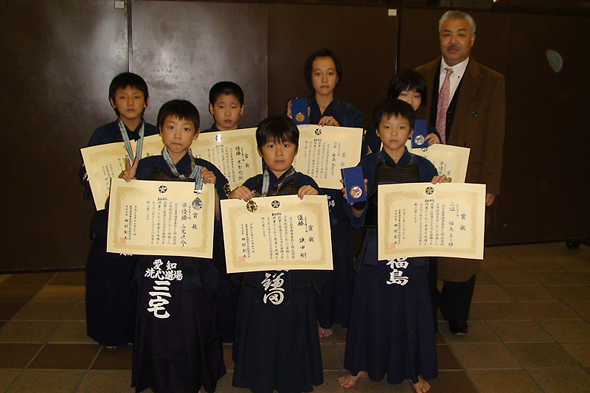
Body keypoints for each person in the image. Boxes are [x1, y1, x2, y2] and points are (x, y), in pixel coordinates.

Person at [339, 99, 450, 393]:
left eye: (401, 127)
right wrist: (355, 201)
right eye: (387, 126)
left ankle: (413, 371)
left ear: (411, 131)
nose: (394, 132)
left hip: (411, 250)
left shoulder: (424, 166)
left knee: (409, 310)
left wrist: (442, 190)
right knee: (369, 308)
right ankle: (361, 364)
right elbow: (356, 220)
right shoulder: (366, 164)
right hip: (376, 246)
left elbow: (435, 211)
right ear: (377, 130)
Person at [120, 99, 227, 393]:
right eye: (170, 127)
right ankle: (156, 376)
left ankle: (192, 376)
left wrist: (212, 189)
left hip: (193, 264)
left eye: (185, 128)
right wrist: (126, 184)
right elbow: (121, 210)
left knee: (192, 322)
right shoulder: (144, 167)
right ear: (161, 131)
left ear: (196, 133)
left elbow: (221, 218)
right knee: (158, 320)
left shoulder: (205, 170)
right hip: (155, 262)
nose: (177, 135)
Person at [415, 10, 506, 335]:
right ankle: (425, 303)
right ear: (439, 38)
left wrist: (490, 183)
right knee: (425, 240)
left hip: (469, 175)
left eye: (461, 34)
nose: (453, 41)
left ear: (472, 39)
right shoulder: (420, 76)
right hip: (426, 173)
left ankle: (456, 311)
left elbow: (495, 135)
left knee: (462, 245)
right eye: (447, 34)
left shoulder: (491, 80)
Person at [229, 116, 324, 393]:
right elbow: (234, 230)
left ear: (296, 148)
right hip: (259, 273)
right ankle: (259, 379)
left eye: (286, 145)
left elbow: (323, 229)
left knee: (294, 326)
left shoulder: (306, 184)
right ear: (260, 150)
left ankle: (295, 379)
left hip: (296, 274)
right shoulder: (251, 185)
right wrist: (233, 200)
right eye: (271, 146)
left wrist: (316, 201)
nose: (279, 153)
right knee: (261, 327)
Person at [288, 48, 363, 337]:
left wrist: (340, 130)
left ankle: (333, 316)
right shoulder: (299, 109)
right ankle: (309, 314)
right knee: (309, 253)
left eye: (330, 73)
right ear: (310, 77)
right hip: (308, 192)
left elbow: (358, 153)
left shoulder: (350, 113)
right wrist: (296, 124)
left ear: (338, 77)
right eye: (318, 73)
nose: (324, 78)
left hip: (338, 196)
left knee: (339, 258)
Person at [79, 72, 158, 347]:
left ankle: (143, 332)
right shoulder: (102, 134)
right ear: (113, 102)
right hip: (111, 215)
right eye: (123, 97)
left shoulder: (158, 135)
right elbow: (88, 174)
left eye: (136, 96)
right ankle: (110, 334)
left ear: (146, 101)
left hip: (147, 217)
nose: (130, 103)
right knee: (108, 278)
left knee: (143, 277)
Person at [362, 69, 441, 157]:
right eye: (404, 94)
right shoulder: (377, 127)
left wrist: (437, 148)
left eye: (416, 96)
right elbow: (364, 159)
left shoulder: (428, 131)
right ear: (393, 96)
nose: (410, 101)